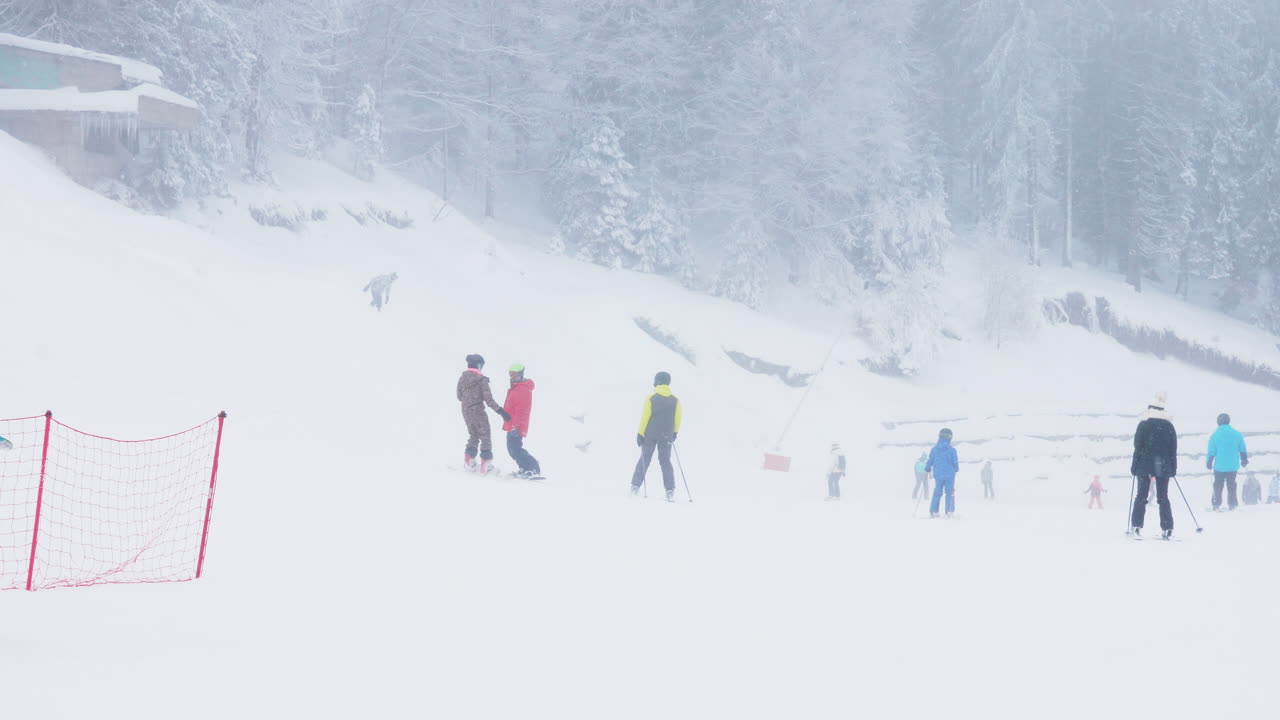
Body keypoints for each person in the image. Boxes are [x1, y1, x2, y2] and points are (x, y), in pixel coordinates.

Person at [1130, 392, 1177, 538]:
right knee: (1163, 497)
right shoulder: (1169, 426)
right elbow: (1173, 449)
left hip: (1144, 464)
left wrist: (1134, 466)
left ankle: (1136, 526)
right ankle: (1167, 527)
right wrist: (1173, 468)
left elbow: (1137, 447)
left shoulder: (1143, 424)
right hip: (1162, 465)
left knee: (1141, 496)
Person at [630, 371, 683, 501]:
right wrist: (674, 433)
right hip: (667, 435)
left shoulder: (651, 398)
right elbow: (678, 419)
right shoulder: (676, 400)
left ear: (657, 382)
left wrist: (640, 434)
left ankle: (635, 486)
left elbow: (645, 418)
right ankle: (670, 490)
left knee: (645, 458)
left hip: (650, 434)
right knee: (665, 461)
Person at [457, 354, 510, 474]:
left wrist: (468, 399)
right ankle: (486, 466)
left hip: (465, 412)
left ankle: (469, 461)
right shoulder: (481, 380)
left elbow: (459, 396)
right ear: (479, 365)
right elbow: (489, 400)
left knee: (473, 435)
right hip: (478, 412)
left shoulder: (462, 378)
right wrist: (501, 412)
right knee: (485, 436)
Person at [502, 363, 541, 479]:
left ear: (521, 374)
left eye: (514, 374)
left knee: (515, 449)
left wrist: (515, 426)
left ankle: (533, 468)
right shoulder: (517, 387)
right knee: (512, 449)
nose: (512, 377)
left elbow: (521, 410)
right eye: (510, 374)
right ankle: (524, 468)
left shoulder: (522, 389)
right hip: (512, 424)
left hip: (516, 425)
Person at [1206, 412, 1248, 511]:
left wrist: (1209, 462)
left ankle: (1216, 504)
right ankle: (1232, 504)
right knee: (1232, 485)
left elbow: (1212, 451)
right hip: (1233, 466)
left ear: (1218, 422)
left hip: (1219, 466)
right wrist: (1244, 459)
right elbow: (1242, 449)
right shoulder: (1237, 434)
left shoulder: (1215, 435)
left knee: (1218, 485)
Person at [926, 428, 959, 518]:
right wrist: (956, 468)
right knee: (949, 492)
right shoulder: (952, 450)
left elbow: (930, 460)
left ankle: (934, 511)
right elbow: (955, 462)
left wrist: (927, 468)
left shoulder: (934, 449)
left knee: (937, 491)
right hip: (949, 475)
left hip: (938, 474)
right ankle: (949, 511)